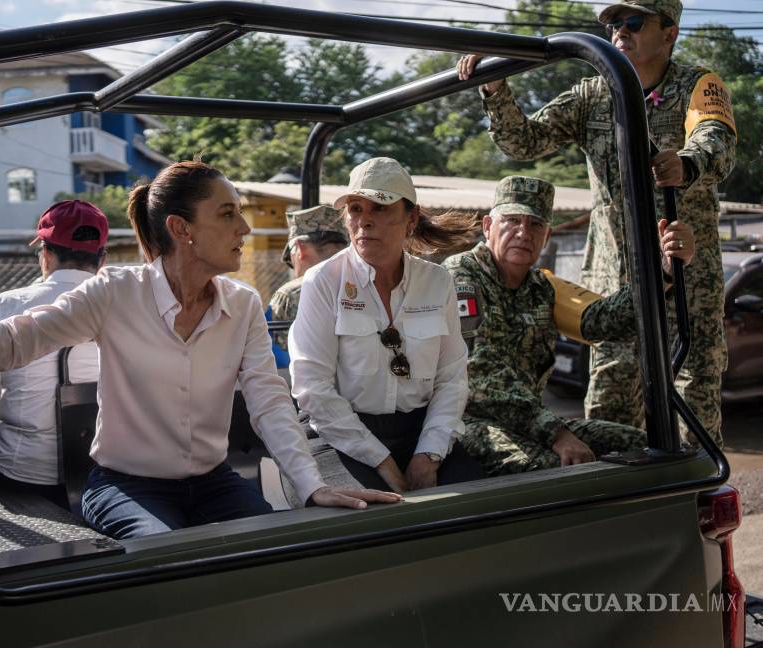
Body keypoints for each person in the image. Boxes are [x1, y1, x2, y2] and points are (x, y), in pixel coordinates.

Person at [0, 160, 401, 540]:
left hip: (213, 482)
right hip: (124, 486)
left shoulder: (243, 305)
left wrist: (311, 485)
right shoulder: (115, 291)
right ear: (181, 229)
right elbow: (10, 344)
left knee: (271, 555)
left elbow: (270, 401)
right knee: (161, 563)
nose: (244, 230)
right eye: (228, 215)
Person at [457, 0, 737, 445]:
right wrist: (495, 89)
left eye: (632, 22)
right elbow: (524, 141)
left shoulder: (696, 85)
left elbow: (716, 138)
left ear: (669, 34)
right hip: (616, 289)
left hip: (686, 286)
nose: (618, 32)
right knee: (611, 413)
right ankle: (619, 511)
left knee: (693, 416)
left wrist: (687, 162)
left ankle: (691, 507)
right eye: (610, 23)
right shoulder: (593, 93)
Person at [444, 176, 695, 475]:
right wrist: (558, 435)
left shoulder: (541, 287)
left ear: (547, 236)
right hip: (466, 422)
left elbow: (602, 321)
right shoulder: (461, 275)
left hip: (531, 422)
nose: (523, 233)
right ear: (488, 226)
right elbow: (481, 372)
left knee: (640, 444)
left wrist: (663, 273)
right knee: (554, 469)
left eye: (535, 224)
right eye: (512, 220)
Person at [289, 157, 484, 493]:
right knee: (360, 517)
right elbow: (313, 388)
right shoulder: (323, 281)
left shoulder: (437, 282)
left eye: (379, 208)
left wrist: (429, 454)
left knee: (471, 505)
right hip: (338, 433)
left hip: (418, 430)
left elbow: (452, 378)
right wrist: (382, 461)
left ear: (411, 218)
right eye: (355, 209)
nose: (364, 221)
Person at [0, 200, 107, 509]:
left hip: (18, 471)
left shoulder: (7, 304)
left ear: (45, 254)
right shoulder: (121, 306)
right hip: (102, 476)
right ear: (102, 259)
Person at [269, 205, 349, 352]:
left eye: (290, 255)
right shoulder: (366, 282)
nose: (292, 263)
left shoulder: (289, 295)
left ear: (300, 248)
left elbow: (277, 356)